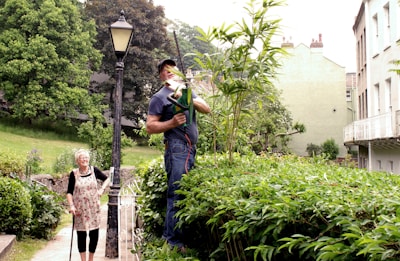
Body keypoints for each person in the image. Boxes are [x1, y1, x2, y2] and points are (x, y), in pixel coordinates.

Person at [146, 59, 211, 251]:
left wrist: (187, 96)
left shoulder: (187, 92)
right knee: (177, 194)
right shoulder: (159, 97)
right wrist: (172, 123)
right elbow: (150, 127)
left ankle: (171, 238)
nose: (170, 72)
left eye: (172, 69)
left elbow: (206, 108)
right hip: (176, 147)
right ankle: (174, 242)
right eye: (165, 71)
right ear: (161, 76)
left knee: (182, 193)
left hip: (190, 149)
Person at [66, 149, 110, 261]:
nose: (85, 160)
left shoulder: (94, 170)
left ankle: (91, 259)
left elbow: (108, 179)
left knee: (94, 233)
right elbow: (69, 192)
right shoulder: (74, 174)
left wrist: (102, 189)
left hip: (93, 208)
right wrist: (71, 206)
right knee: (81, 235)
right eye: (82, 158)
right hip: (80, 208)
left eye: (86, 157)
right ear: (78, 161)